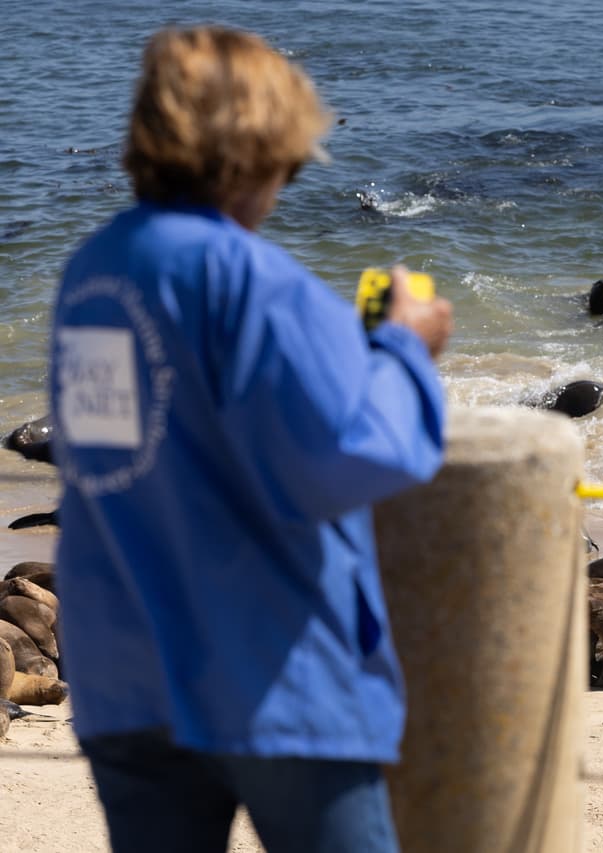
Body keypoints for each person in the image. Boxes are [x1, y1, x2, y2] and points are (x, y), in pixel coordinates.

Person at [48, 26, 453, 853]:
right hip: (272, 673)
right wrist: (406, 348)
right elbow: (354, 450)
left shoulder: (90, 272)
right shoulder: (256, 282)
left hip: (127, 667)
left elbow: (127, 450)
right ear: (265, 147)